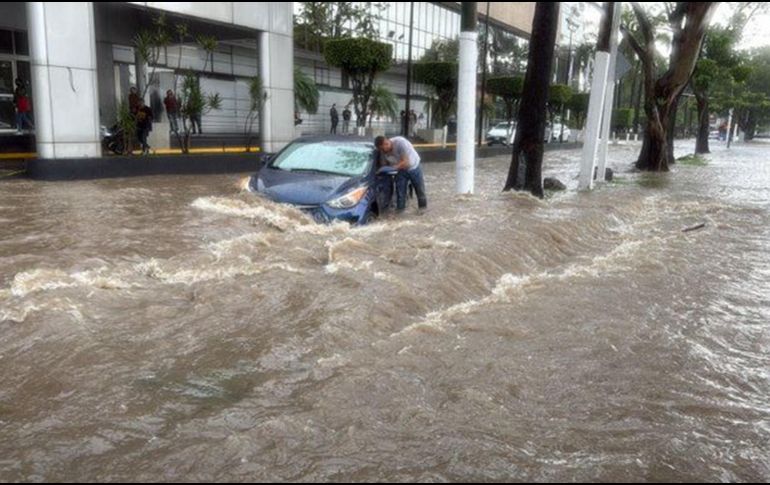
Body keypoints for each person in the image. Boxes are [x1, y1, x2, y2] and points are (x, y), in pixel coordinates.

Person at [375, 135, 427, 212]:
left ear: (386, 143)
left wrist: (392, 168)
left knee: (419, 189)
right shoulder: (383, 151)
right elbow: (384, 165)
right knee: (400, 192)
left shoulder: (400, 143)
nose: (383, 152)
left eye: (383, 149)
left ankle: (422, 208)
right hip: (400, 170)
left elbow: (406, 162)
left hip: (413, 167)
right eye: (381, 150)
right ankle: (400, 211)